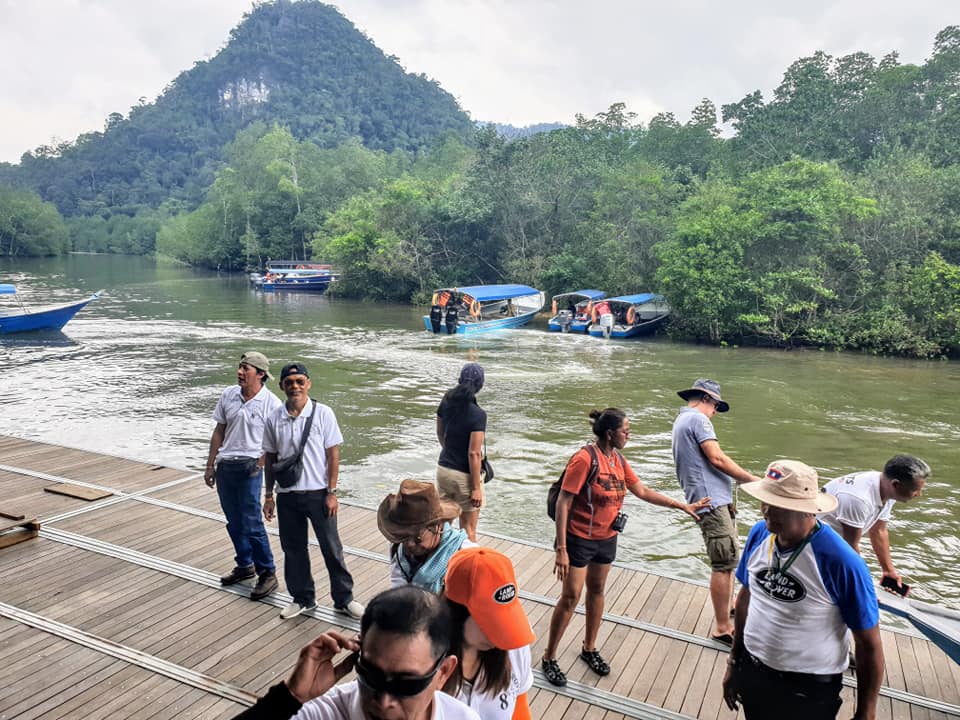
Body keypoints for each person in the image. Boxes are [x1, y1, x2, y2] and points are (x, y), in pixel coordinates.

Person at [541, 408, 710, 687]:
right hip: (578, 538)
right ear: (610, 433)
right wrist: (561, 548)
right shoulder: (585, 459)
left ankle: (589, 648)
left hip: (607, 538)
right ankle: (549, 657)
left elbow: (642, 491)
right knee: (570, 597)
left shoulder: (618, 460)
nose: (629, 435)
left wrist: (682, 505)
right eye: (625, 430)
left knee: (597, 591)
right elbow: (563, 501)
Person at [723, 459, 884, 720]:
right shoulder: (759, 534)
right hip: (754, 671)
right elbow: (745, 598)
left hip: (808, 690)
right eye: (766, 501)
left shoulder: (841, 561)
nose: (767, 511)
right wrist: (734, 662)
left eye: (780, 506)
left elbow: (869, 643)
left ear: (809, 511)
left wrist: (866, 712)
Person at [232, 586, 479, 720]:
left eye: (406, 685)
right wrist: (288, 698)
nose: (383, 702)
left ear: (443, 672)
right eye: (370, 676)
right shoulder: (322, 713)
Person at [263, 362, 363, 620]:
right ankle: (302, 598)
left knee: (332, 548)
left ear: (308, 383)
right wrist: (269, 495)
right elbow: (270, 459)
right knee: (293, 549)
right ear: (282, 386)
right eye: (289, 382)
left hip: (319, 493)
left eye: (299, 381)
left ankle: (344, 599)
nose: (294, 386)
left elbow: (333, 455)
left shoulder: (323, 413)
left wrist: (332, 491)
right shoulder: (274, 417)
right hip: (288, 495)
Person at [671, 378, 761, 644]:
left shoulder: (682, 420)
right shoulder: (698, 420)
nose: (715, 413)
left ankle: (729, 605)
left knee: (730, 558)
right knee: (723, 563)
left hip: (712, 498)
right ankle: (723, 627)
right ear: (705, 399)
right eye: (715, 406)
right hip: (711, 502)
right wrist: (753, 480)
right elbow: (717, 457)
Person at [204, 351, 283, 601]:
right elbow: (220, 430)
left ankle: (267, 572)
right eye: (239, 367)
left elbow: (277, 440)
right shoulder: (229, 394)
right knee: (233, 520)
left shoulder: (272, 403)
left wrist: (260, 463)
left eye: (245, 368)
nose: (239, 372)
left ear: (260, 374)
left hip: (250, 467)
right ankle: (245, 564)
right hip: (227, 465)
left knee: (252, 521)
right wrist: (210, 465)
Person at [443, 547, 535, 720]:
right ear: (457, 613)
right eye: (492, 622)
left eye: (507, 619)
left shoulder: (515, 641)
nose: (505, 634)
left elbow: (520, 706)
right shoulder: (424, 661)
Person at [819, 455, 930, 589]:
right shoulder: (859, 499)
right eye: (915, 490)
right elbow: (850, 547)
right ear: (896, 484)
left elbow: (879, 530)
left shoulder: (886, 487)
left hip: (838, 540)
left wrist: (888, 570)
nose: (919, 494)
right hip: (817, 542)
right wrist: (865, 586)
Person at [378, 479, 476, 592]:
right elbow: (398, 586)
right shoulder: (399, 550)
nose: (409, 544)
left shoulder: (466, 556)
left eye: (417, 537)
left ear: (438, 526)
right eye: (403, 537)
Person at [436, 363, 487, 542]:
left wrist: (448, 450)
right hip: (464, 476)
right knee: (468, 530)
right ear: (480, 385)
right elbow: (474, 453)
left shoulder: (447, 402)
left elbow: (440, 432)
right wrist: (476, 488)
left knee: (441, 524)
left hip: (443, 469)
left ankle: (438, 565)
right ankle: (466, 567)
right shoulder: (478, 414)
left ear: (460, 380)